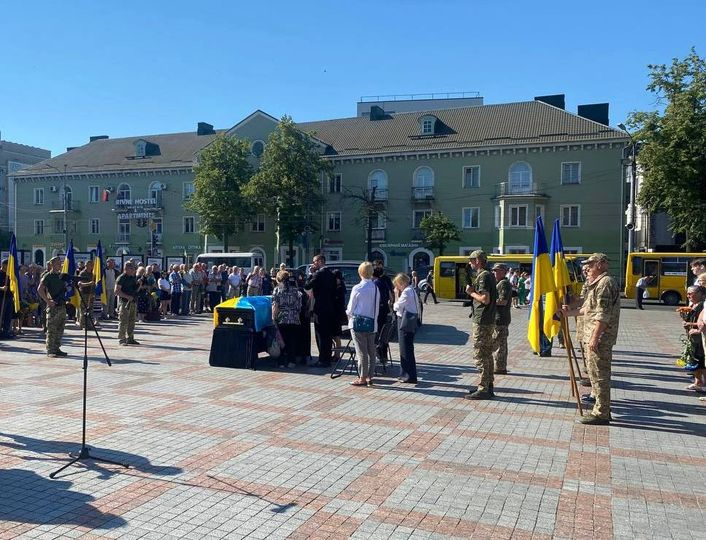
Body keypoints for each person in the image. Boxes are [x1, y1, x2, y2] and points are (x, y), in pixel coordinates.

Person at [562, 253, 620, 425]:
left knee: (600, 375)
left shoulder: (605, 283)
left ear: (601, 264)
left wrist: (595, 338)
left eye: (591, 264)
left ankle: (602, 413)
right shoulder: (596, 284)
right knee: (594, 374)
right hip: (592, 335)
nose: (587, 268)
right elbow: (586, 310)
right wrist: (567, 313)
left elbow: (603, 315)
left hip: (600, 338)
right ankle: (601, 409)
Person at [465, 250, 497, 400]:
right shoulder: (488, 275)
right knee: (487, 353)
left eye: (471, 260)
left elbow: (485, 299)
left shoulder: (483, 276)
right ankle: (488, 385)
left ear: (478, 260)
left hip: (482, 321)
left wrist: (471, 292)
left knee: (480, 354)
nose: (470, 263)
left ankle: (484, 388)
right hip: (487, 320)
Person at [345, 262, 380, 387]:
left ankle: (362, 377)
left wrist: (348, 314)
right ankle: (370, 376)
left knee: (361, 352)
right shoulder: (375, 288)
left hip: (358, 323)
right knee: (371, 351)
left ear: (360, 273)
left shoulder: (358, 288)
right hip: (371, 323)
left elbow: (350, 308)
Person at [304, 254, 337, 367]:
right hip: (330, 307)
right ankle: (327, 359)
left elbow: (307, 286)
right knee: (327, 335)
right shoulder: (331, 274)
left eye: (314, 261)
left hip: (319, 308)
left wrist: (309, 274)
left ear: (320, 261)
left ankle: (322, 360)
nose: (313, 264)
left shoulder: (318, 274)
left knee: (320, 335)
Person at [37, 256, 68, 357]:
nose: (60, 265)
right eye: (57, 263)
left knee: (60, 328)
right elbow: (40, 289)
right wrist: (48, 301)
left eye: (60, 263)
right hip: (53, 306)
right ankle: (50, 350)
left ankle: (57, 348)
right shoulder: (47, 276)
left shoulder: (61, 276)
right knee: (52, 329)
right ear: (52, 264)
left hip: (62, 305)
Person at [272, 270, 302, 369]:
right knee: (292, 340)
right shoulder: (295, 290)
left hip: (282, 318)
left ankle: (281, 362)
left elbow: (275, 306)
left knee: (282, 341)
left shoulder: (277, 290)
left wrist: (273, 317)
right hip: (294, 318)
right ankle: (291, 361)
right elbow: (299, 305)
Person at [393, 272, 419, 384]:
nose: (397, 287)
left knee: (405, 349)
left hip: (404, 321)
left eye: (397, 285)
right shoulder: (411, 289)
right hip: (410, 320)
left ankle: (409, 376)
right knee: (406, 348)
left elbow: (397, 306)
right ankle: (404, 373)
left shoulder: (406, 292)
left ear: (401, 283)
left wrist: (395, 295)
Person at [491, 263, 512, 375]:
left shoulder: (503, 284)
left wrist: (488, 302)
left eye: (497, 271)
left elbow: (502, 301)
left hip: (500, 318)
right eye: (494, 271)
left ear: (504, 272)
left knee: (496, 343)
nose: (495, 273)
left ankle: (499, 367)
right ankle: (500, 367)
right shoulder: (501, 283)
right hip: (502, 317)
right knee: (502, 344)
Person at [684, 285, 706, 392]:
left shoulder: (702, 305)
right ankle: (698, 382)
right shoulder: (694, 304)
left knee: (701, 362)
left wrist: (691, 324)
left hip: (700, 337)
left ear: (701, 294)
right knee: (695, 360)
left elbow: (702, 322)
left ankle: (702, 383)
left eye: (691, 293)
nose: (688, 296)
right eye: (687, 293)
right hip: (694, 337)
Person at [115, 262, 140, 345]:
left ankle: (130, 338)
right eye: (132, 268)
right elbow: (117, 291)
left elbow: (135, 289)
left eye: (134, 268)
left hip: (133, 301)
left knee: (132, 320)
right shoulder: (121, 278)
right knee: (123, 320)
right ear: (126, 268)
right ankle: (122, 339)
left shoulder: (133, 277)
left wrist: (139, 284)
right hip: (124, 302)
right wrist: (127, 296)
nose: (134, 270)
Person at [76, 259, 98, 329]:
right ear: (86, 265)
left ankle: (89, 324)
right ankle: (83, 324)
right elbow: (80, 284)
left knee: (90, 310)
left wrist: (93, 293)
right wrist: (89, 284)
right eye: (90, 265)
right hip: (84, 294)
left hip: (91, 294)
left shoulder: (92, 274)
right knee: (84, 310)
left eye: (92, 265)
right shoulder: (83, 273)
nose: (92, 266)